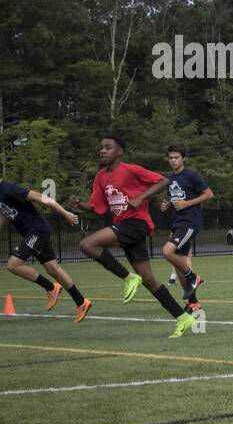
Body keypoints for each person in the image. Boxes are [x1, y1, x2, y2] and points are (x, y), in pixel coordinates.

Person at [69, 135, 194, 339]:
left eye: (108, 147)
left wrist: (141, 197)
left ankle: (128, 278)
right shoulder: (100, 177)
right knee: (149, 280)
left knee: (87, 244)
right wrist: (81, 205)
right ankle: (183, 317)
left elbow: (164, 180)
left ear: (119, 152)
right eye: (101, 147)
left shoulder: (131, 170)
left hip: (136, 223)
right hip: (123, 226)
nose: (102, 151)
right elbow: (98, 208)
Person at [0, 180, 91, 321]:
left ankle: (50, 287)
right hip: (33, 232)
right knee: (52, 269)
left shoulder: (8, 189)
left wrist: (65, 213)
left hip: (38, 230)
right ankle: (81, 302)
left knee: (13, 264)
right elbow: (5, 215)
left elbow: (43, 197)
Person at [159, 144, 213, 311]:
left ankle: (194, 277)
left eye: (176, 157)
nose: (173, 160)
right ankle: (193, 302)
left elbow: (209, 194)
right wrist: (167, 205)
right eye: (171, 158)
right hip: (177, 223)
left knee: (167, 251)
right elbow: (175, 199)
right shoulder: (169, 179)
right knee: (179, 263)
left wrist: (187, 203)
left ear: (184, 158)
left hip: (189, 222)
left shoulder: (191, 175)